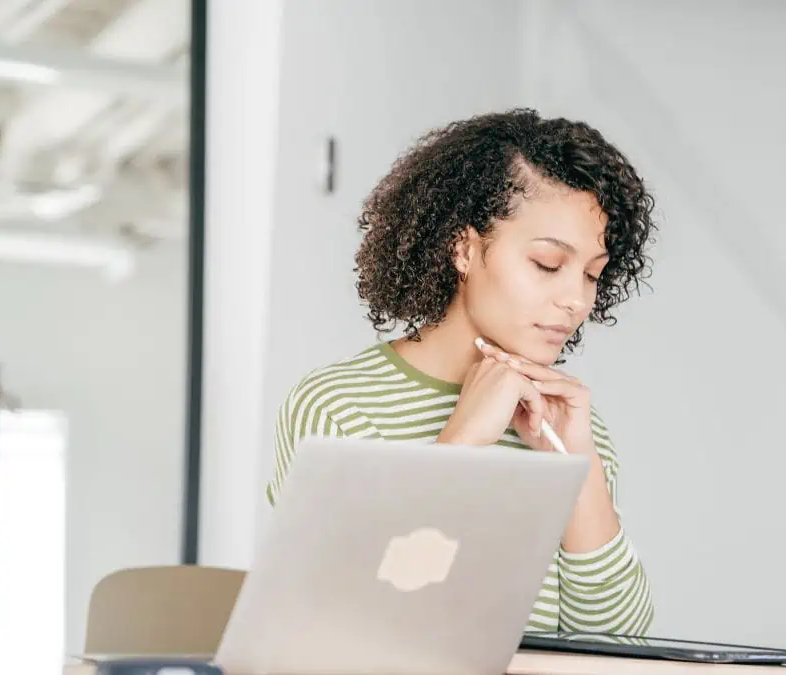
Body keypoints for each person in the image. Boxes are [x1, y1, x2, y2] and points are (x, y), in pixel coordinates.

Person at [265, 108, 659, 636]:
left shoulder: (569, 427)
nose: (575, 299)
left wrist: (579, 464)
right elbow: (349, 626)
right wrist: (464, 442)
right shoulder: (339, 407)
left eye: (592, 274)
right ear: (466, 249)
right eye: (547, 264)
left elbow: (617, 639)